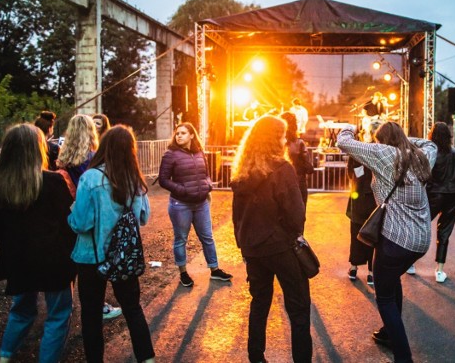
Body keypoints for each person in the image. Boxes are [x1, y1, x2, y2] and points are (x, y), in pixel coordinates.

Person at [337, 121, 437, 363]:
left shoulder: (383, 153)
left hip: (395, 240)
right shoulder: (423, 157)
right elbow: (431, 142)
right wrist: (405, 140)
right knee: (392, 282)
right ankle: (388, 333)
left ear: (381, 140)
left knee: (384, 297)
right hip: (420, 240)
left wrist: (349, 127)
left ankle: (403, 356)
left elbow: (343, 142)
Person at [68, 125, 154, 363]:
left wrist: (71, 212)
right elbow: (144, 217)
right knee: (133, 309)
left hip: (90, 256)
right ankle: (147, 359)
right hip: (124, 255)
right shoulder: (133, 178)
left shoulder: (90, 178)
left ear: (104, 146)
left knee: (92, 314)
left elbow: (80, 224)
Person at [230, 116, 312, 363]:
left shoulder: (243, 171)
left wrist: (243, 244)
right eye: (282, 135)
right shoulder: (282, 169)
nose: (286, 139)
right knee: (298, 307)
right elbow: (296, 214)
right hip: (280, 247)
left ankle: (256, 357)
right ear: (274, 139)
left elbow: (237, 216)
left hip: (253, 248)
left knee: (259, 302)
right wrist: (290, 233)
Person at [0, 124, 76, 363]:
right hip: (54, 260)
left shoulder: (0, 185)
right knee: (58, 315)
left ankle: (4, 357)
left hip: (19, 260)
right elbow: (69, 222)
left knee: (21, 310)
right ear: (37, 149)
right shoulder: (53, 182)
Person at [57, 114, 122, 320]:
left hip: (67, 214)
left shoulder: (62, 158)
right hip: (89, 216)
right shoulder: (92, 159)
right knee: (92, 265)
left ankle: (68, 304)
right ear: (90, 132)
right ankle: (99, 306)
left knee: (70, 263)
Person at [158, 122, 232, 287]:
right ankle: (183, 273)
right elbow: (163, 180)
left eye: (183, 133)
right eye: (178, 133)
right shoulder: (171, 154)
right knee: (181, 239)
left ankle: (215, 270)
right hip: (180, 204)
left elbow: (206, 174)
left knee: (207, 237)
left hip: (201, 203)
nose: (179, 136)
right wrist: (182, 190)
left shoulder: (199, 152)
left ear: (192, 135)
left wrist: (208, 185)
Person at [345, 118, 383, 286]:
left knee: (356, 233)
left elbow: (351, 173)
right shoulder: (383, 152)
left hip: (359, 197)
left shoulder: (358, 151)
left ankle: (354, 267)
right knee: (375, 235)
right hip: (376, 200)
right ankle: (371, 272)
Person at [425, 122, 455, 283]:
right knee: (445, 232)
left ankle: (410, 263)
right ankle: (440, 270)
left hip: (434, 194)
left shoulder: (432, 153)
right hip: (452, 195)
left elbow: (428, 176)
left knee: (421, 226)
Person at [280, 111, 314, 207]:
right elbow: (309, 168)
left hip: (280, 185)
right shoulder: (299, 143)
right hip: (298, 183)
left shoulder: (276, 144)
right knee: (299, 216)